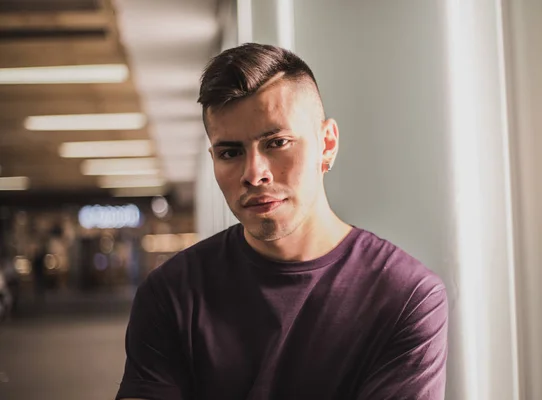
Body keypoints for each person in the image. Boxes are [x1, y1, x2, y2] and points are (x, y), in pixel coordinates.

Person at [116, 43, 448, 400]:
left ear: (328, 143)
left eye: (277, 143)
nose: (254, 174)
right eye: (231, 152)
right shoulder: (172, 292)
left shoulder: (405, 296)